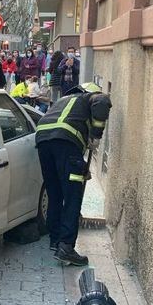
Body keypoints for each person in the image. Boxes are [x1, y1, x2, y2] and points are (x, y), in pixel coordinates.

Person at [36, 82, 112, 266]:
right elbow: (103, 101)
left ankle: (56, 240)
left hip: (43, 141)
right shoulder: (91, 97)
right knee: (72, 196)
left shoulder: (64, 99)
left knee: (55, 194)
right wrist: (96, 134)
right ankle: (67, 248)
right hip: (66, 143)